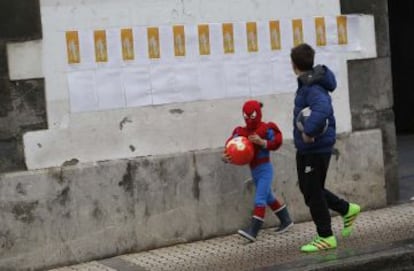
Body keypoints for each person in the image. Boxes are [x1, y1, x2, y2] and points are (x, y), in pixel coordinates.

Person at [290, 43, 361, 252]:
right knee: (310, 189)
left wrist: (308, 132)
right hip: (307, 149)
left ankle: (326, 236)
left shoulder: (312, 87)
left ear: (293, 65)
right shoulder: (307, 83)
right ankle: (346, 209)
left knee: (312, 191)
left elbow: (322, 109)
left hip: (315, 147)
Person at [222, 100, 293, 242]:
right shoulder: (241, 132)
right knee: (268, 197)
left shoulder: (266, 129)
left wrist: (262, 142)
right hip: (254, 170)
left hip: (265, 169)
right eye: (246, 116)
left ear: (258, 113)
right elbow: (231, 145)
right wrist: (226, 156)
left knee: (260, 198)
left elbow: (277, 141)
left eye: (251, 115)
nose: (248, 119)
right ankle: (286, 220)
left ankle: (253, 230)